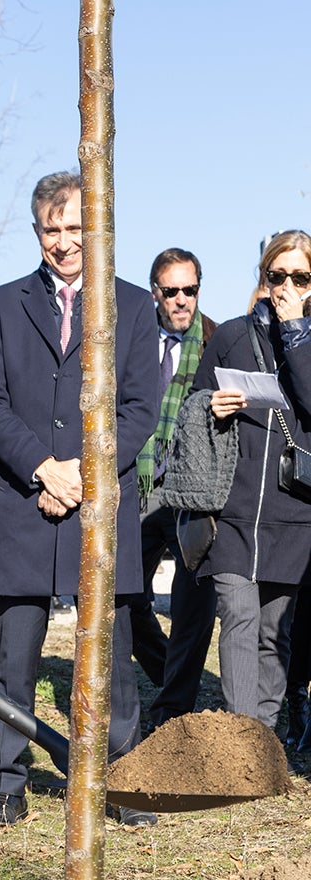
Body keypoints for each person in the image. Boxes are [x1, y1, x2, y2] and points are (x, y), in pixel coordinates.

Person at [0, 170, 160, 829]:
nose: (63, 240)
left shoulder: (133, 307)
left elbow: (141, 409)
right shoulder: (1, 305)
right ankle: (5, 784)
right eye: (51, 228)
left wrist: (82, 472)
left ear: (98, 229)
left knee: (110, 656)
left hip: (101, 502)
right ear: (36, 233)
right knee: (15, 658)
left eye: (75, 226)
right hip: (26, 502)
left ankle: (124, 782)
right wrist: (41, 469)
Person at [187, 230, 311, 729]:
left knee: (273, 632)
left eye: (300, 277)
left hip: (294, 510)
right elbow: (193, 403)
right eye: (276, 275)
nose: (286, 286)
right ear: (262, 277)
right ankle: (243, 739)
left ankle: (265, 737)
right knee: (237, 619)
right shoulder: (233, 335)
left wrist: (297, 331)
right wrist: (211, 405)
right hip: (233, 509)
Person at [130, 249, 218, 728]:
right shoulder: (133, 338)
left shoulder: (216, 339)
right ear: (155, 292)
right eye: (171, 291)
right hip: (140, 487)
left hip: (193, 491)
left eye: (190, 290)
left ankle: (173, 709)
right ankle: (168, 672)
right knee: (125, 598)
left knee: (193, 605)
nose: (182, 300)